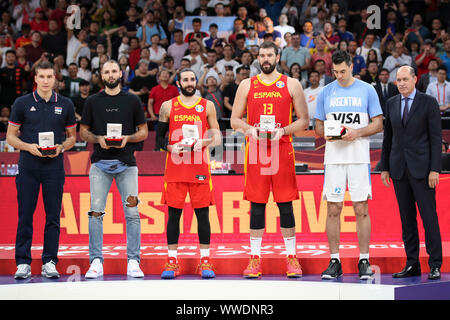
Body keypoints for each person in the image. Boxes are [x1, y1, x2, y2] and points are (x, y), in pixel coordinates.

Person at [231, 41, 309, 279]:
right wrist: (249, 130)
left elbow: (304, 121)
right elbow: (235, 120)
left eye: (269, 55)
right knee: (257, 204)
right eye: (261, 55)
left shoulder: (291, 83)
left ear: (277, 57)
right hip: (255, 150)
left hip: (282, 148)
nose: (265, 59)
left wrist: (283, 130)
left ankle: (291, 257)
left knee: (285, 204)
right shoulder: (246, 84)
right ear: (258, 58)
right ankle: (254, 259)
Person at [314, 50, 383, 280]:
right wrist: (330, 134)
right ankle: (335, 261)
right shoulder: (326, 91)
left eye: (343, 71)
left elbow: (378, 124)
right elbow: (318, 127)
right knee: (333, 209)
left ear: (352, 66)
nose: (339, 75)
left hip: (358, 157)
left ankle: (364, 259)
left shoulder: (367, 89)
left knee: (361, 209)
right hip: (334, 158)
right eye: (335, 71)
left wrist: (357, 132)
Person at [7, 61, 77, 279]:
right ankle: (23, 262)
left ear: (55, 79)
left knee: (53, 216)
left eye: (49, 77)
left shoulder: (65, 104)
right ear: (35, 78)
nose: (46, 80)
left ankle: (49, 261)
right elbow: (10, 136)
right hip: (28, 167)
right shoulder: (22, 103)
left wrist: (61, 147)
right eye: (42, 77)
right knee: (25, 215)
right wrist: (29, 147)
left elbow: (72, 138)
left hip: (54, 168)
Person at [80, 60, 149, 279]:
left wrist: (128, 138)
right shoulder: (92, 101)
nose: (110, 75)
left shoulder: (132, 100)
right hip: (100, 164)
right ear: (101, 75)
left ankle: (133, 261)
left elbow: (144, 132)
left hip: (127, 164)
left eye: (114, 71)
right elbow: (84, 132)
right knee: (96, 213)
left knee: (132, 213)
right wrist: (97, 139)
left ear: (121, 73)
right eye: (106, 72)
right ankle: (96, 261)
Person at [156, 68, 221, 279]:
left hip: (200, 168)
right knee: (174, 215)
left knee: (202, 214)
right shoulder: (168, 106)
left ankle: (205, 260)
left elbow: (218, 137)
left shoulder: (207, 105)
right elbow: (158, 140)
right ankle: (172, 260)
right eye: (185, 79)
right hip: (175, 168)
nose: (190, 82)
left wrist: (205, 141)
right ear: (178, 83)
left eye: (192, 79)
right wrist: (170, 148)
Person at [380, 66, 443, 280]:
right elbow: (388, 139)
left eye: (405, 79)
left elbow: (436, 139)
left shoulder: (429, 102)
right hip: (399, 170)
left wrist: (435, 169)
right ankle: (412, 263)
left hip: (423, 171)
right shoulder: (391, 103)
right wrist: (385, 166)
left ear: (415, 79)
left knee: (429, 218)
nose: (402, 83)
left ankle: (435, 264)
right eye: (398, 80)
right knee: (407, 221)